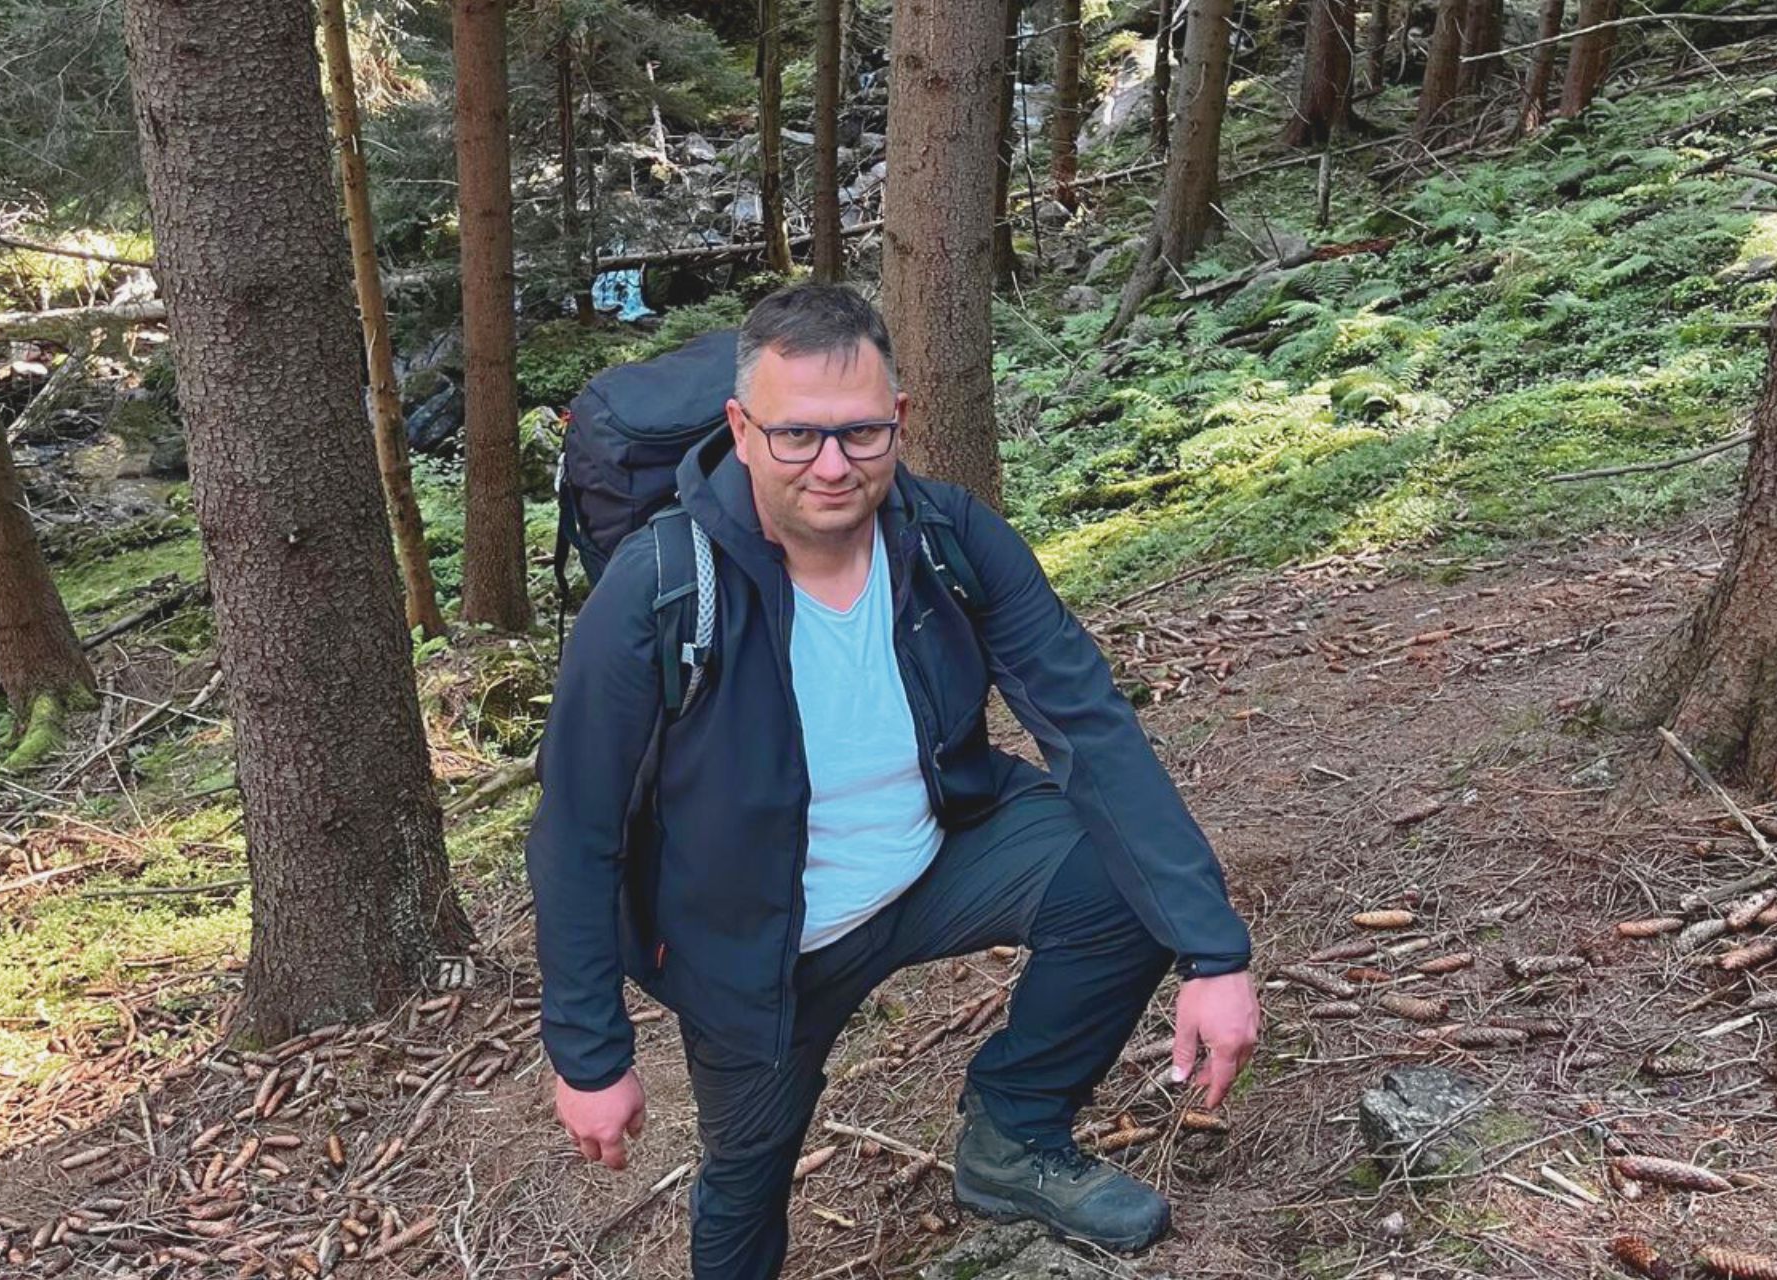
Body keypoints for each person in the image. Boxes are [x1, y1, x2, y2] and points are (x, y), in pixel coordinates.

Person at [527, 283, 1257, 1279]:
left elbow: (1091, 724)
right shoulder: (660, 588)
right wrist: (589, 1053)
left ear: (899, 420)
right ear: (741, 429)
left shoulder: (944, 536)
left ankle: (1014, 1134)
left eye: (860, 432)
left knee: (1123, 888)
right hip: (759, 948)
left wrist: (1212, 951)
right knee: (746, 1178)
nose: (833, 465)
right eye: (797, 435)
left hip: (932, 859)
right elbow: (576, 831)